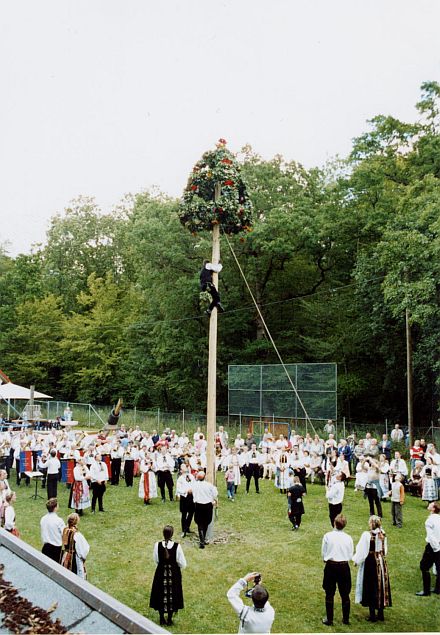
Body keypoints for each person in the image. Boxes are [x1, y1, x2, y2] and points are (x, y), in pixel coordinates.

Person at [353, 515, 392, 622]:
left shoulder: (367, 535)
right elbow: (385, 550)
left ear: (371, 524)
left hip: (371, 563)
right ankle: (380, 613)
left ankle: (372, 615)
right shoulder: (382, 533)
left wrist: (356, 560)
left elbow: (362, 550)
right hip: (381, 562)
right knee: (381, 585)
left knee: (371, 586)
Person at [150, 525, 186, 626]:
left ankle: (161, 618)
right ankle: (169, 619)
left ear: (163, 534)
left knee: (160, 593)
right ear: (172, 534)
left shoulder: (157, 545)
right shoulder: (177, 546)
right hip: (173, 574)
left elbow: (156, 559)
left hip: (161, 573)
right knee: (173, 593)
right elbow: (182, 563)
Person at [321, 514, 353, 627]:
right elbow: (350, 554)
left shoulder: (328, 536)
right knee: (345, 593)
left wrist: (326, 559)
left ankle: (330, 619)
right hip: (344, 566)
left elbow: (323, 553)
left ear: (334, 523)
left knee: (329, 593)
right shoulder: (348, 538)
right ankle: (346, 619)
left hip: (331, 566)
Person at [416, 501, 440, 596]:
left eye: (431, 504)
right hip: (438, 545)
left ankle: (426, 591)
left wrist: (436, 549)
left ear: (433, 508)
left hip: (433, 547)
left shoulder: (429, 521)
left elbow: (431, 536)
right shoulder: (438, 518)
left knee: (424, 566)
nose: (429, 504)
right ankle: (438, 589)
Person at [192, 470, 218, 549]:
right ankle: (203, 539)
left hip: (198, 505)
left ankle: (202, 540)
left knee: (200, 523)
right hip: (207, 505)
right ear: (204, 477)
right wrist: (213, 500)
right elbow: (215, 493)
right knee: (206, 522)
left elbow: (193, 493)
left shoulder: (194, 485)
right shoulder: (209, 485)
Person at [60, 513, 90, 579]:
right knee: (75, 575)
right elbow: (82, 549)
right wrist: (83, 557)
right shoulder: (77, 535)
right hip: (73, 558)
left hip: (65, 555)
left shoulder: (65, 530)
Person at [40, 498, 65, 562]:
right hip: (56, 549)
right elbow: (64, 534)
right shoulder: (59, 521)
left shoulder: (43, 519)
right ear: (55, 508)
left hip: (45, 547)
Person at [176, 464, 195, 536]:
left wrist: (192, 490)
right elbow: (179, 489)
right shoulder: (180, 479)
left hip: (191, 496)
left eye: (185, 467)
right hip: (184, 497)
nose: (185, 468)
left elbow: (194, 484)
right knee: (184, 513)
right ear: (181, 470)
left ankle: (187, 527)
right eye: (183, 467)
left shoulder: (191, 476)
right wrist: (186, 491)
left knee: (191, 512)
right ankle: (183, 529)